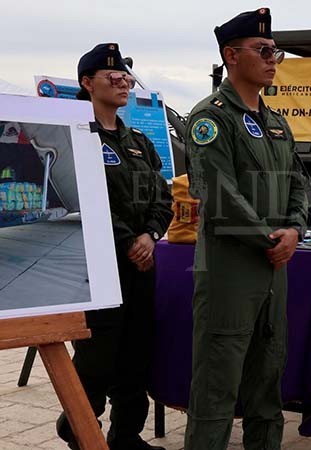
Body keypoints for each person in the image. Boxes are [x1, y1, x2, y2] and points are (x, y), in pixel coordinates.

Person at [183, 8, 308, 450]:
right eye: (264, 50)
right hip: (230, 274)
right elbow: (217, 195)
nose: (274, 58)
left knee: (267, 381)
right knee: (217, 388)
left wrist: (294, 229)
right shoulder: (211, 118)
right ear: (231, 56)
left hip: (274, 270)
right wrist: (269, 240)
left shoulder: (276, 123)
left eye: (276, 51)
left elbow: (299, 183)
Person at [55, 43, 172, 450]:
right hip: (97, 265)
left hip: (141, 263)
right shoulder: (74, 136)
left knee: (135, 354)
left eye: (126, 76)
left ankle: (126, 436)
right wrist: (129, 240)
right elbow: (81, 198)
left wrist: (151, 235)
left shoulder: (137, 139)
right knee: (97, 359)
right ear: (87, 83)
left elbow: (162, 196)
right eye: (113, 76)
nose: (123, 82)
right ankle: (80, 429)